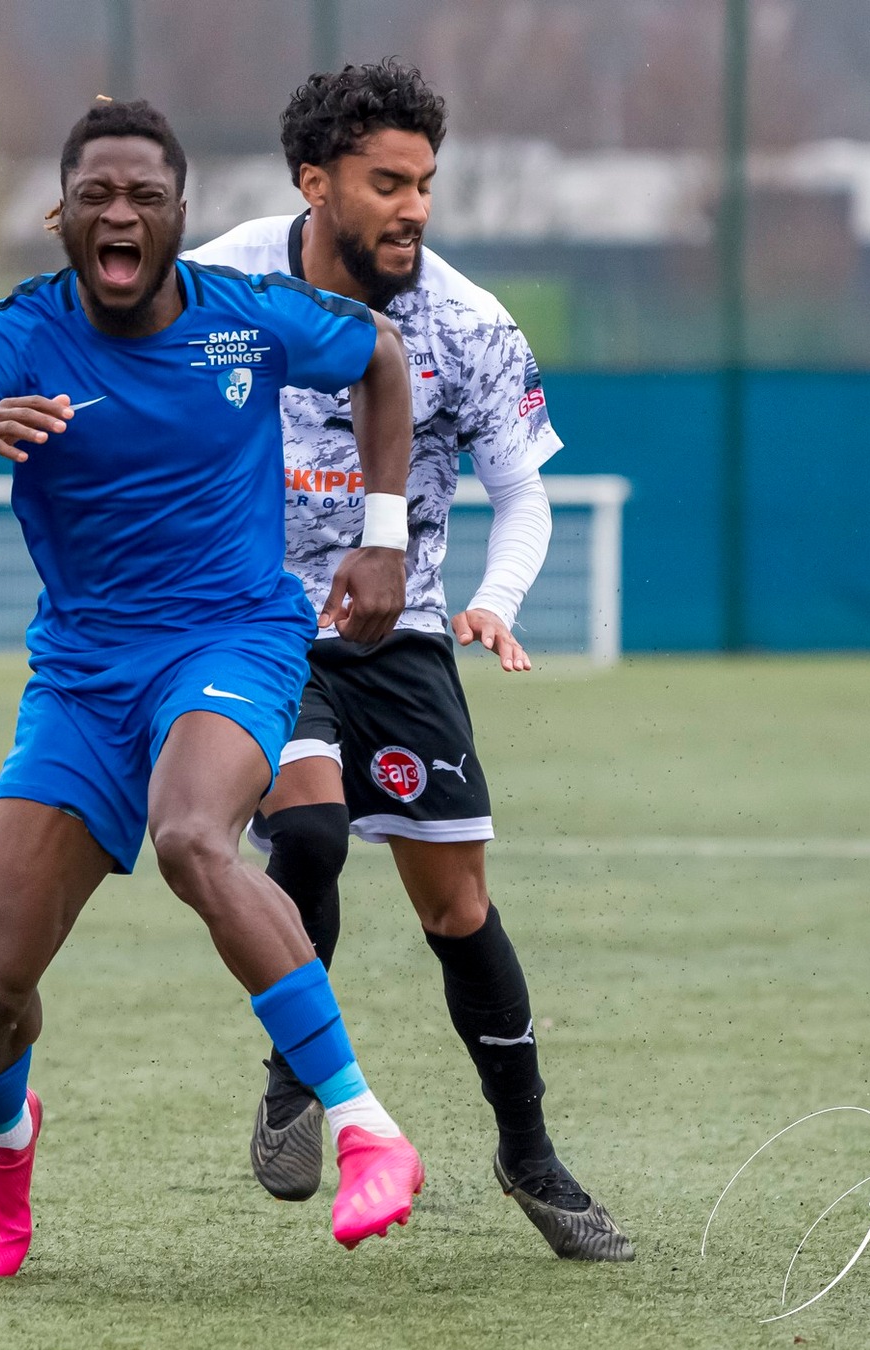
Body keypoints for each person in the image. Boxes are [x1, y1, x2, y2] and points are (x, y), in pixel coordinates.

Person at [0, 98, 425, 1277]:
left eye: (143, 197)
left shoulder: (248, 319)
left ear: (179, 218)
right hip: (78, 681)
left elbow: (379, 356)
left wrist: (382, 536)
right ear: (60, 215)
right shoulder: (10, 340)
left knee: (192, 835)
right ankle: (4, 1143)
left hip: (232, 639)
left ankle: (364, 1124)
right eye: (95, 196)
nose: (118, 214)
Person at [186, 59, 633, 1261]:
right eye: (388, 182)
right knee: (312, 830)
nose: (413, 208)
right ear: (313, 181)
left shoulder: (467, 322)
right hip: (256, 625)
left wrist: (493, 598)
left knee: (458, 905)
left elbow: (519, 494)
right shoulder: (220, 283)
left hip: (407, 633)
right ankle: (296, 1070)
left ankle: (527, 1153)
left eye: (425, 183)